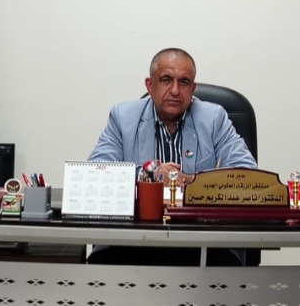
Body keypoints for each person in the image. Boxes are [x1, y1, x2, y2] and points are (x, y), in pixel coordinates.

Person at [87, 47, 257, 266]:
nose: (175, 90)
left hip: (201, 239)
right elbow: (96, 171)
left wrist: (193, 181)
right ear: (150, 85)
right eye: (166, 79)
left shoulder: (214, 118)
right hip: (133, 239)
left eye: (184, 82)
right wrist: (150, 174)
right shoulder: (123, 117)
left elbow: (247, 172)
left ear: (193, 89)